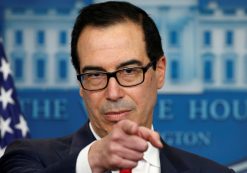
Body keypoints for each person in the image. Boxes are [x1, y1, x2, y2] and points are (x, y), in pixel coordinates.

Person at [0, 1, 235, 173]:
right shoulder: (27, 157)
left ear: (159, 71)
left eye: (129, 71)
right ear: (80, 84)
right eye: (94, 75)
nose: (113, 93)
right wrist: (92, 161)